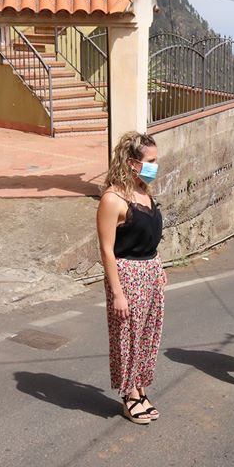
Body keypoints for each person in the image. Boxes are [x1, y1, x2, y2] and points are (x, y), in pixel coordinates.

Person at [96, 132, 166, 424]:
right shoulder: (113, 199)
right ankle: (128, 396)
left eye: (156, 160)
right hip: (127, 274)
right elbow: (106, 249)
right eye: (150, 161)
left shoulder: (144, 191)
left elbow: (149, 235)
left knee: (148, 335)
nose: (154, 166)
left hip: (150, 272)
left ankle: (140, 387)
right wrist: (117, 293)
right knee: (127, 338)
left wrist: (158, 267)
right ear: (132, 162)